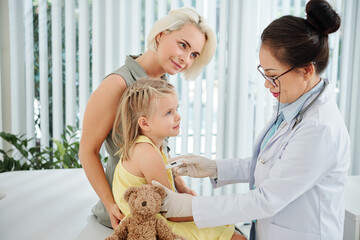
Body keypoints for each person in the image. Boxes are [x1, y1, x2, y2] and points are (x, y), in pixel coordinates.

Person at [153, 1, 350, 239]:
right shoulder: (295, 102)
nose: (267, 85)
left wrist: (189, 207)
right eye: (264, 74)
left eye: (273, 76)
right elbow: (272, 165)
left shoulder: (321, 128)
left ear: (307, 70)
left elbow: (267, 199)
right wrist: (215, 168)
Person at [79, 7, 216, 229]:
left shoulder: (163, 85)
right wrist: (111, 206)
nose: (186, 59)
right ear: (161, 35)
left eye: (194, 55)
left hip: (161, 205)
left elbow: (159, 151)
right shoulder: (117, 84)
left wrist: (179, 185)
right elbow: (87, 151)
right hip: (127, 210)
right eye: (183, 45)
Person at [111, 78, 244, 240]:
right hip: (154, 228)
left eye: (176, 109)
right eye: (169, 113)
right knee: (234, 235)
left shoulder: (149, 147)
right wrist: (211, 213)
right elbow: (171, 212)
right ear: (145, 124)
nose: (178, 117)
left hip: (151, 222)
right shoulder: (148, 154)